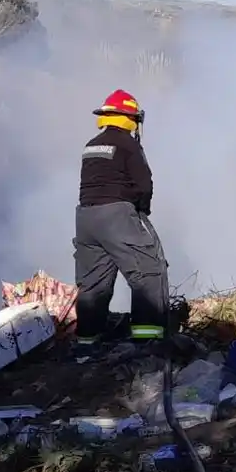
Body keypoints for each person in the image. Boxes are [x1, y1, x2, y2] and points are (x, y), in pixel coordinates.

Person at [74, 88, 170, 346]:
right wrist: (141, 210)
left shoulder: (92, 145)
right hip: (116, 215)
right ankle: (147, 340)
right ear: (130, 118)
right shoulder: (128, 143)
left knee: (93, 282)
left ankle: (86, 342)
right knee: (149, 271)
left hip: (85, 218)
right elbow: (143, 184)